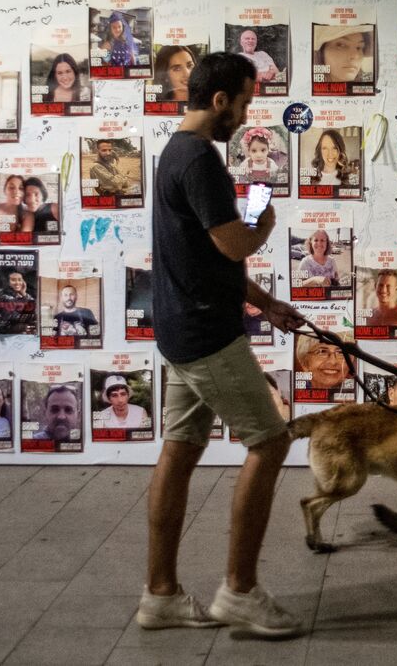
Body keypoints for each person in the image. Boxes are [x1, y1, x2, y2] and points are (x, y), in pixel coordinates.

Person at [141, 51, 306, 635]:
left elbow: (206, 255)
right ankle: (240, 590)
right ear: (219, 101)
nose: (245, 113)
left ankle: (160, 595)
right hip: (208, 336)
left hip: (179, 331)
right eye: (243, 102)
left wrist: (266, 305)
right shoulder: (201, 160)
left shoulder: (175, 151)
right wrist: (266, 220)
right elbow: (236, 244)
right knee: (270, 440)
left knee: (181, 450)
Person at [0, 270, 36, 336]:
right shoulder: (3, 296)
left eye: (20, 280)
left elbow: (34, 309)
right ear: (7, 282)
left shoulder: (21, 295)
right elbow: (16, 317)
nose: (17, 283)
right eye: (13, 280)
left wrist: (24, 294)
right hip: (6, 334)